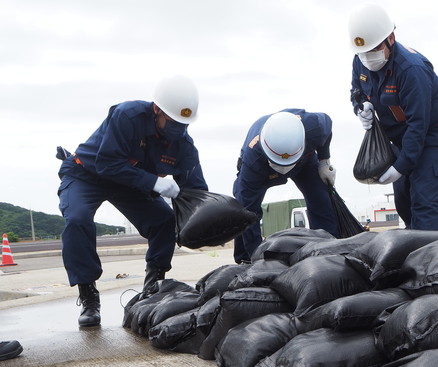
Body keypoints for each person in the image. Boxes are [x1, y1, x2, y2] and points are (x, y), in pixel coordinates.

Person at [57, 75, 208, 327]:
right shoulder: (127, 116)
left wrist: (205, 222)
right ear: (156, 109)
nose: (177, 129)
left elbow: (196, 192)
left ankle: (153, 287)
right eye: (172, 122)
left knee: (164, 221)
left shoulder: (183, 145)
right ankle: (88, 297)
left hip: (128, 184)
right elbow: (107, 164)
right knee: (78, 220)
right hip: (86, 174)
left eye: (183, 124)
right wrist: (154, 183)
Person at [348, 4, 438, 230]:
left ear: (390, 38)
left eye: (374, 49)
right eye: (363, 52)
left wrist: (401, 167)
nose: (369, 57)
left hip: (436, 134)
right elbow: (356, 91)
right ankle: (421, 244)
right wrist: (361, 107)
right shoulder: (360, 59)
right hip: (402, 137)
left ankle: (427, 255)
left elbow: (418, 125)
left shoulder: (411, 70)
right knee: (404, 202)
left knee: (424, 201)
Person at [232, 109, 340, 263]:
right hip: (264, 167)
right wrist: (257, 261)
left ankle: (328, 248)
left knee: (321, 199)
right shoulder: (253, 162)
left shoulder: (313, 127)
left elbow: (327, 129)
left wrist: (324, 160)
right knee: (243, 211)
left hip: (304, 161)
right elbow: (249, 213)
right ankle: (245, 259)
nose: (284, 169)